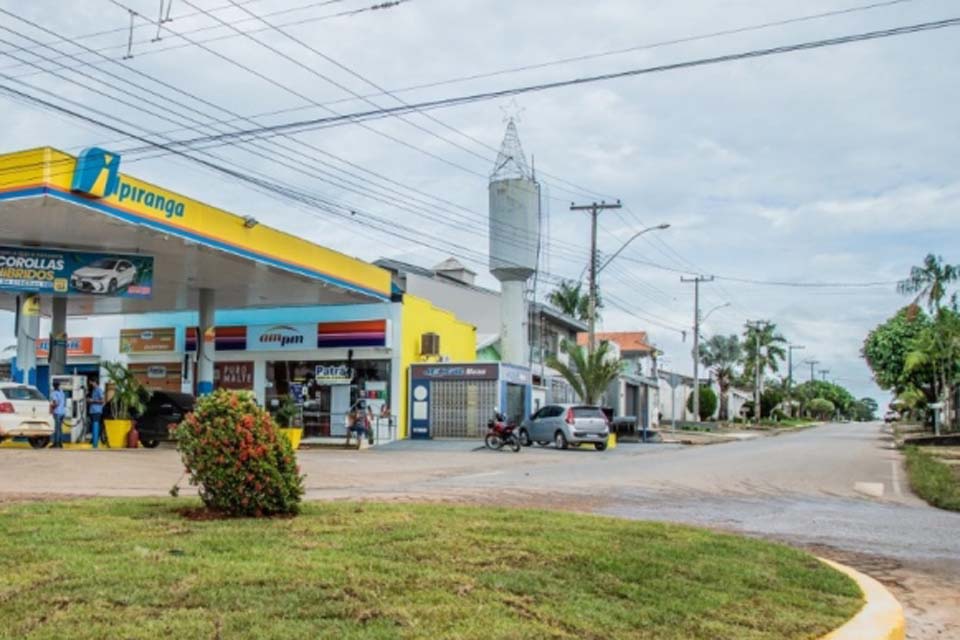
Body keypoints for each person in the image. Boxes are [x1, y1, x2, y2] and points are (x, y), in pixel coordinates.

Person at [87, 379, 104, 449]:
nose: (91, 384)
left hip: (97, 411)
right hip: (92, 410)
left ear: (95, 382)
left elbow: (102, 400)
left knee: (96, 425)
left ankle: (95, 442)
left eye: (92, 382)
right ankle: (94, 440)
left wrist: (93, 400)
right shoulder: (93, 390)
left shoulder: (99, 390)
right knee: (93, 426)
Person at [50, 381, 66, 449]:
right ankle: (60, 443)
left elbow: (56, 403)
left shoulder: (54, 393)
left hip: (57, 412)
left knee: (57, 429)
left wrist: (51, 406)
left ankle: (56, 444)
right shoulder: (62, 392)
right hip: (63, 412)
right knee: (60, 428)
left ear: (53, 386)